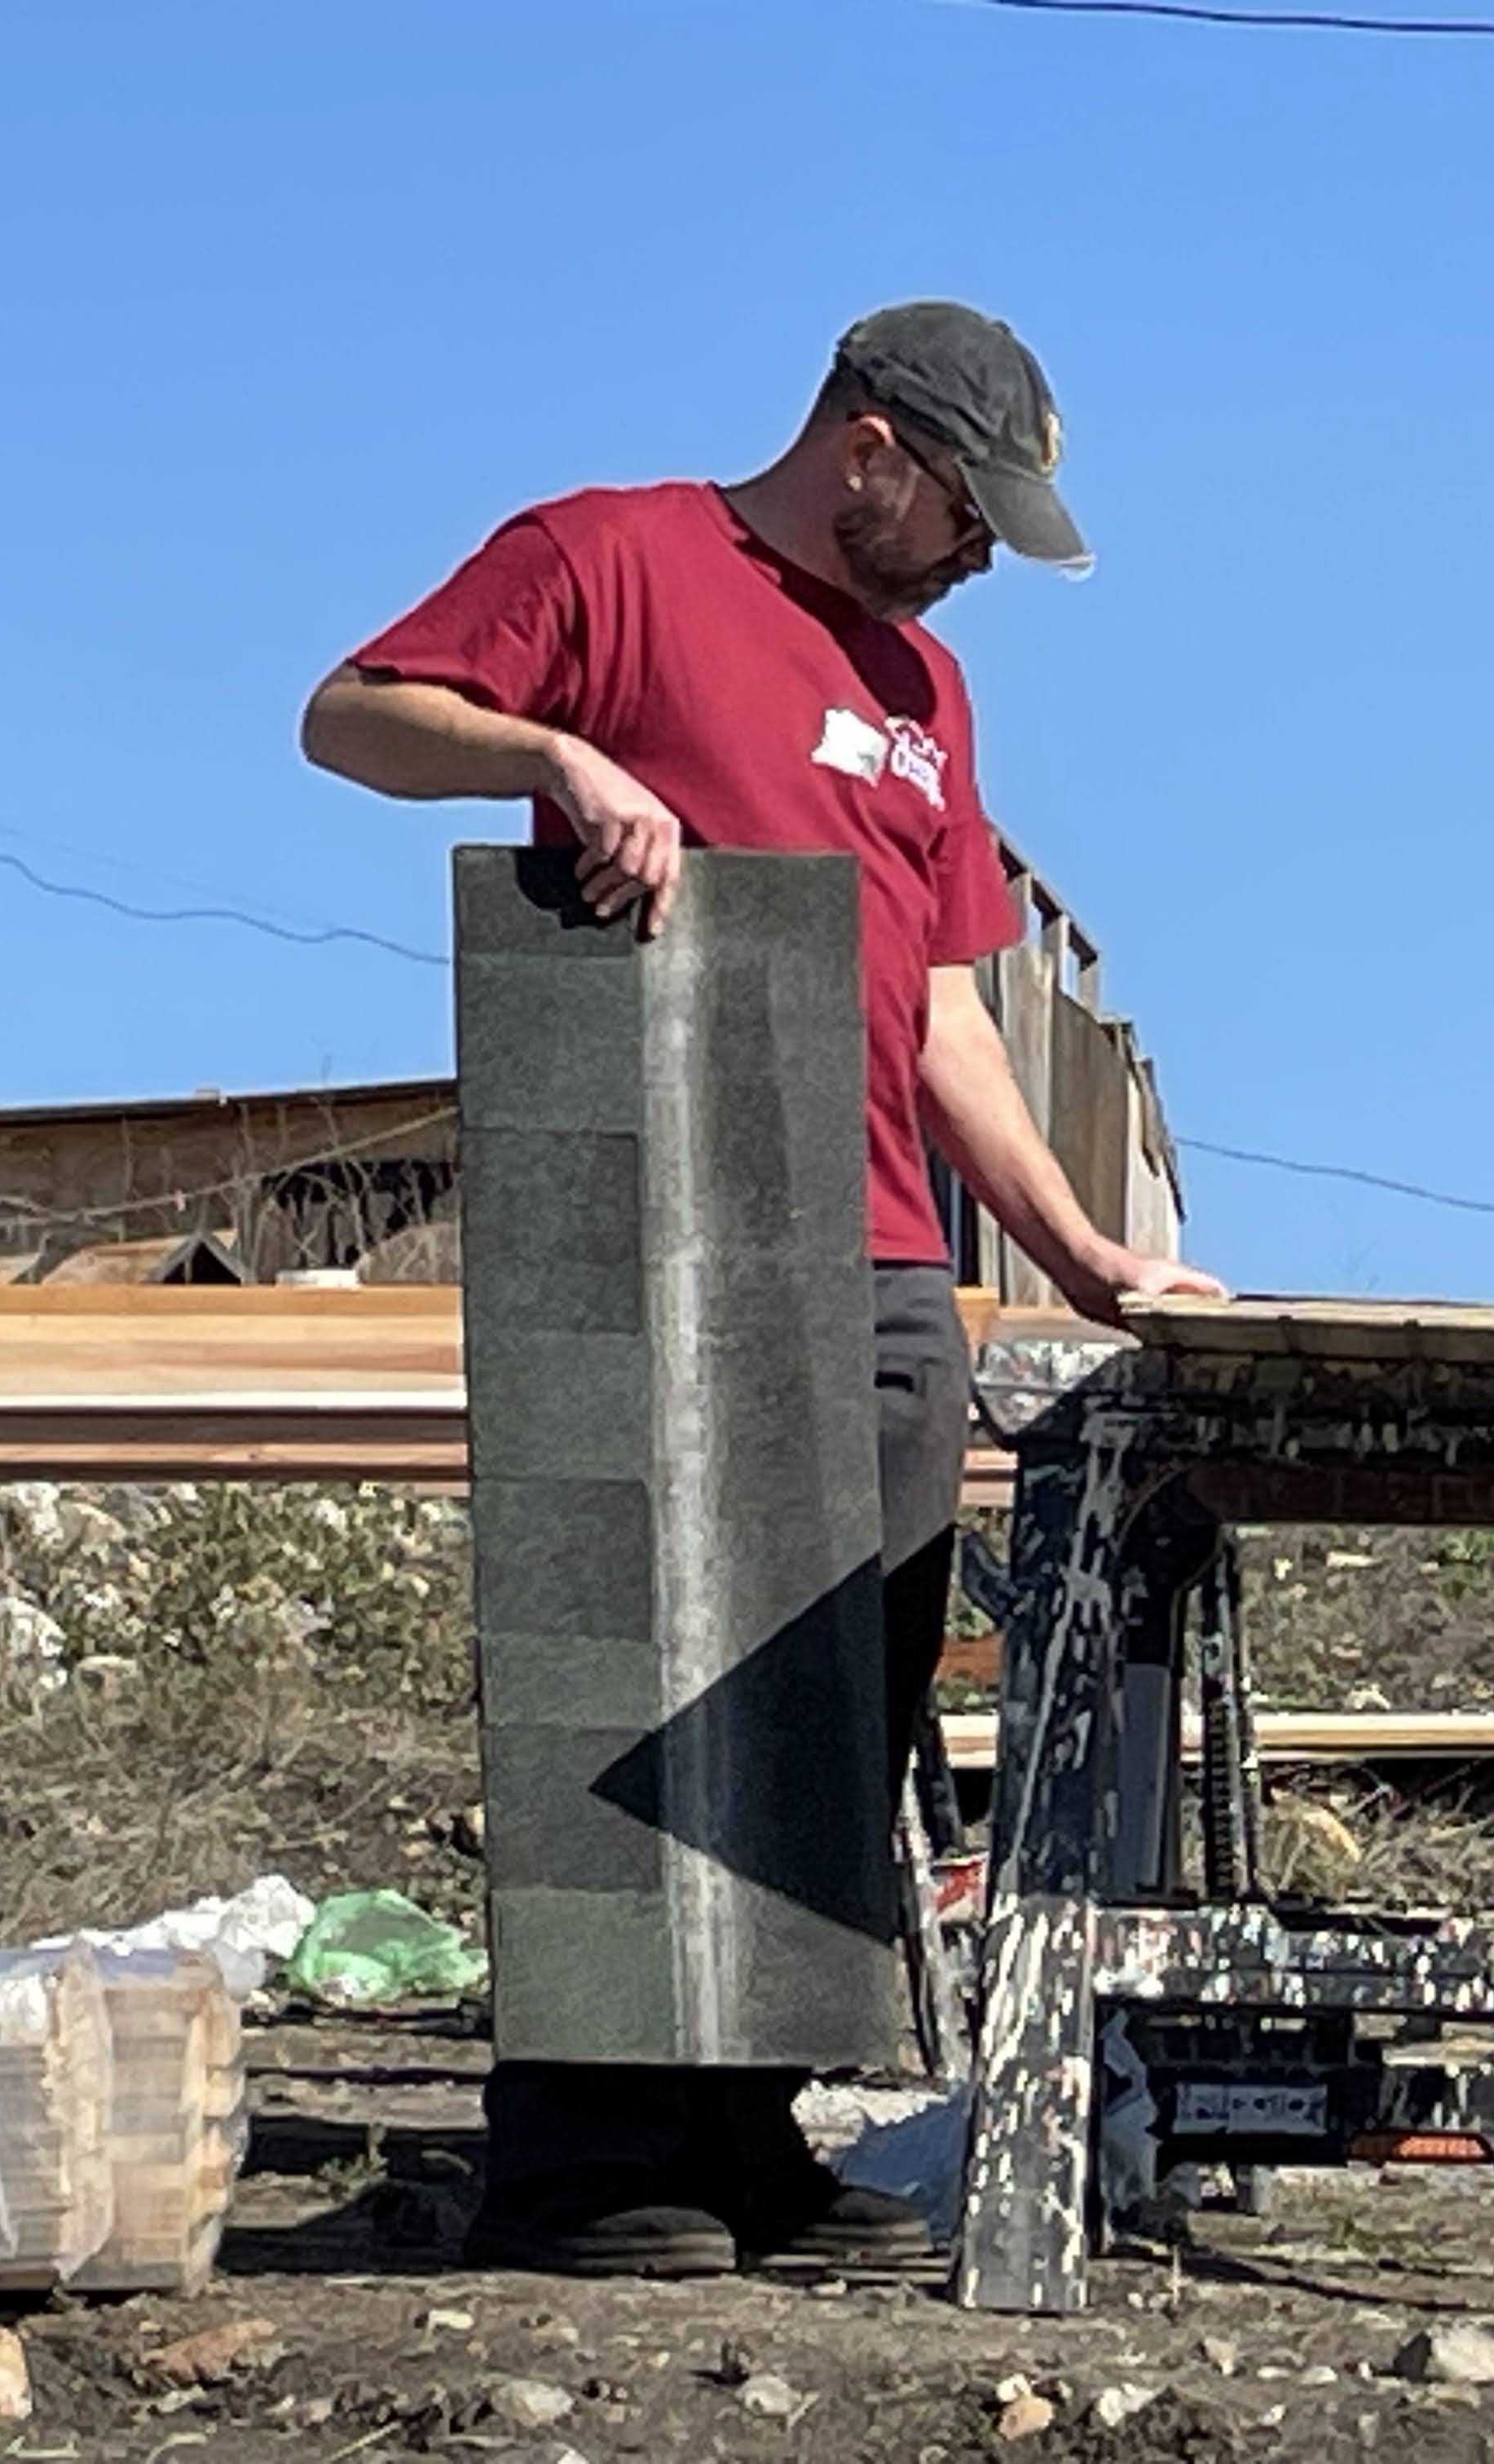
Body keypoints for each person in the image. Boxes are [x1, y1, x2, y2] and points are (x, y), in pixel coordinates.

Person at [302, 301, 1223, 2277]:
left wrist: (1073, 1248)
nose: (984, 555)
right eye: (972, 508)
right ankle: (581, 2155)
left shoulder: (928, 690)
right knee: (628, 1670)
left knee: (834, 1696)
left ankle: (746, 2142)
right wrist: (554, 750)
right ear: (869, 446)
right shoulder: (616, 559)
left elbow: (952, 1008)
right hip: (657, 1219)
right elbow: (352, 713)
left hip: (880, 1253)